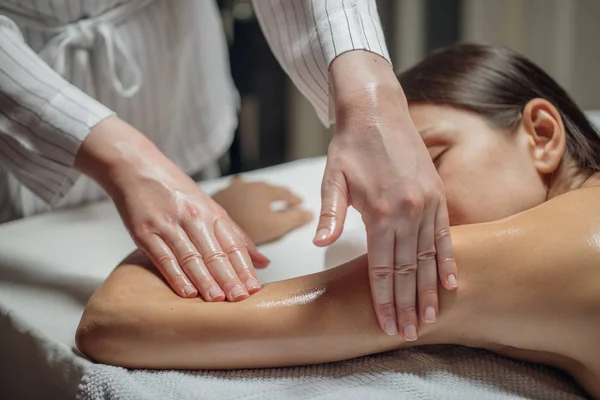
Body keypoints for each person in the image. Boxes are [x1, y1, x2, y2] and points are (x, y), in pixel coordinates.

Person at [75, 44, 600, 397]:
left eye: (432, 159)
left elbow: (115, 324)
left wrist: (217, 220)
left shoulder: (512, 258)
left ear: (542, 134)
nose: (404, 203)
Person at [0, 0, 454, 340]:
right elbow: (106, 325)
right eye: (435, 160)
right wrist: (123, 159)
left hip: (171, 74)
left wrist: (370, 93)